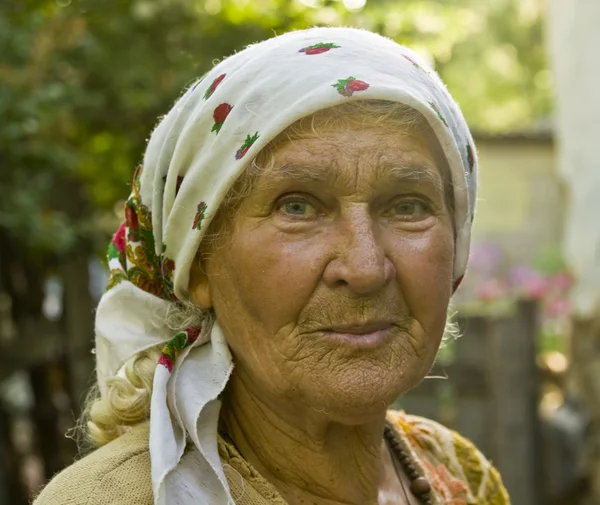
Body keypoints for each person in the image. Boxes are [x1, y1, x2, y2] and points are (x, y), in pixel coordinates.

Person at [34, 27, 509, 505]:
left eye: (407, 207)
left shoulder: (459, 473)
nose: (365, 268)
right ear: (198, 265)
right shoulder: (111, 498)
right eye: (297, 207)